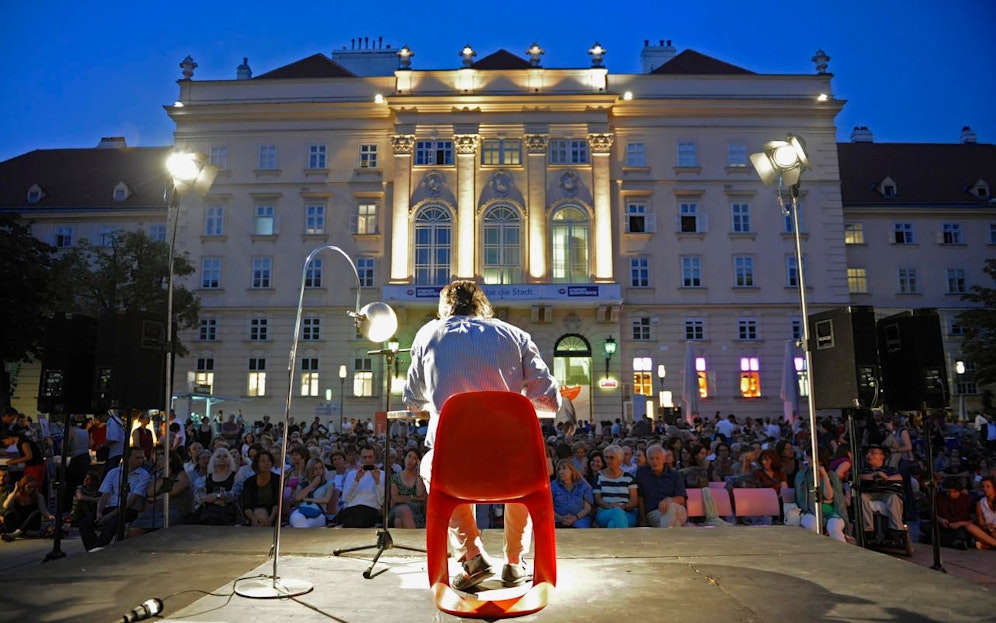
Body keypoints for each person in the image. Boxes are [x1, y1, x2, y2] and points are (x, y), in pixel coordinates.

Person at [403, 280, 561, 590]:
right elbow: (549, 400)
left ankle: (472, 556)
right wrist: (510, 399)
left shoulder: (428, 334)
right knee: (525, 460)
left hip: (455, 470)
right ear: (482, 306)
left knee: (429, 465)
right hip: (512, 469)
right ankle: (515, 563)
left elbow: (412, 399)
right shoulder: (516, 335)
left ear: (444, 308)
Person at [80, 447, 150, 550]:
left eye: (142, 458)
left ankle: (97, 549)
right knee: (84, 523)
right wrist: (99, 512)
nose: (140, 461)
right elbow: (105, 495)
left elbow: (132, 500)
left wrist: (108, 516)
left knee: (111, 522)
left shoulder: (144, 475)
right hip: (111, 506)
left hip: (129, 509)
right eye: (137, 458)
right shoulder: (114, 473)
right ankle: (93, 549)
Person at [128, 450, 194, 536]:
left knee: (162, 529)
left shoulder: (181, 475)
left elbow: (174, 491)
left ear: (169, 459)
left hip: (174, 508)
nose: (158, 462)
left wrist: (157, 498)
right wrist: (162, 477)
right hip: (157, 509)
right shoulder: (160, 476)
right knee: (134, 529)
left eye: (160, 459)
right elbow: (150, 492)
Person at [859, 445, 904, 543]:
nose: (869, 455)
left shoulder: (890, 469)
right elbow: (858, 477)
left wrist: (886, 478)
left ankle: (895, 531)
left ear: (882, 456)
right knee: (862, 497)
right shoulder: (864, 469)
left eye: (873, 452)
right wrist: (874, 475)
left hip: (885, 493)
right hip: (869, 493)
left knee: (893, 498)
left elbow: (900, 477)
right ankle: (868, 531)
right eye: (868, 453)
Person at [636, 444, 687, 528]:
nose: (654, 461)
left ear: (664, 459)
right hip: (654, 512)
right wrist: (643, 519)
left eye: (657, 458)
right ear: (647, 460)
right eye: (651, 458)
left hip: (677, 509)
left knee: (671, 508)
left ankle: (665, 538)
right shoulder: (642, 473)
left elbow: (682, 498)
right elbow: (640, 497)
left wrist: (669, 501)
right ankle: (671, 538)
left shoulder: (674, 475)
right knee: (675, 523)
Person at [338, 444, 384, 528]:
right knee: (354, 514)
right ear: (359, 458)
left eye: (370, 457)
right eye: (364, 457)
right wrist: (356, 480)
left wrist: (377, 481)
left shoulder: (382, 474)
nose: (367, 460)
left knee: (357, 516)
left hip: (371, 509)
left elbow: (381, 501)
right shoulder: (351, 474)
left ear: (374, 458)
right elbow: (345, 498)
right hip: (352, 509)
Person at [593, 444, 638, 528]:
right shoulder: (599, 476)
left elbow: (634, 501)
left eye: (611, 458)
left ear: (619, 459)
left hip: (627, 513)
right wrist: (609, 506)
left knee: (612, 525)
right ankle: (627, 539)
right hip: (605, 512)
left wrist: (622, 507)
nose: (608, 461)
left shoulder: (629, 478)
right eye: (606, 457)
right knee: (616, 512)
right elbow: (597, 499)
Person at [1, 475, 53, 541]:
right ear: (23, 486)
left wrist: (49, 516)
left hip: (30, 523)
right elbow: (5, 505)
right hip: (19, 521)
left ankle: (16, 534)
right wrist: (15, 490)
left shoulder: (37, 496)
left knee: (36, 513)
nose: (32, 489)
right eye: (29, 487)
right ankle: (25, 532)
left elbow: (43, 510)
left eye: (34, 487)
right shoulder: (16, 495)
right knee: (8, 514)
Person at [289, 458, 334, 528]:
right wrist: (312, 484)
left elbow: (326, 499)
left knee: (307, 524)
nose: (318, 471)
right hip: (301, 510)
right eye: (315, 468)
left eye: (320, 468)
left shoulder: (329, 483)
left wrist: (309, 500)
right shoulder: (303, 484)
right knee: (299, 521)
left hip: (318, 513)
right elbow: (297, 497)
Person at [389, 448, 427, 529]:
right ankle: (415, 540)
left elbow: (419, 494)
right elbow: (395, 498)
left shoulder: (419, 477)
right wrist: (413, 498)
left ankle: (405, 541)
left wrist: (419, 472)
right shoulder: (395, 477)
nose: (411, 460)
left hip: (416, 511)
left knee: (398, 522)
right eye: (409, 456)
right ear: (405, 458)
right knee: (404, 510)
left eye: (414, 458)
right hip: (398, 509)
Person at [241, 449, 280, 527]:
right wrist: (253, 518)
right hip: (254, 511)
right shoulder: (249, 482)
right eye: (263, 461)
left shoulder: (277, 479)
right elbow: (247, 506)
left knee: (262, 516)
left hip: (273, 511)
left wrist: (271, 518)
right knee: (260, 515)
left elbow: (277, 502)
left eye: (269, 461)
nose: (267, 463)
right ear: (257, 464)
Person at [551, 459, 593, 528]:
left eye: (564, 469)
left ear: (572, 471)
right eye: (559, 469)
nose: (561, 472)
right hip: (558, 519)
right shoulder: (553, 486)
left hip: (579, 518)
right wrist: (561, 518)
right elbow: (549, 508)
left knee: (579, 528)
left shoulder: (582, 486)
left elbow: (587, 508)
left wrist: (575, 518)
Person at [975, 476, 996, 550]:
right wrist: (988, 527)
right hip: (988, 530)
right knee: (970, 527)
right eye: (983, 486)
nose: (985, 489)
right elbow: (981, 523)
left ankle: (989, 545)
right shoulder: (980, 502)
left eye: (988, 486)